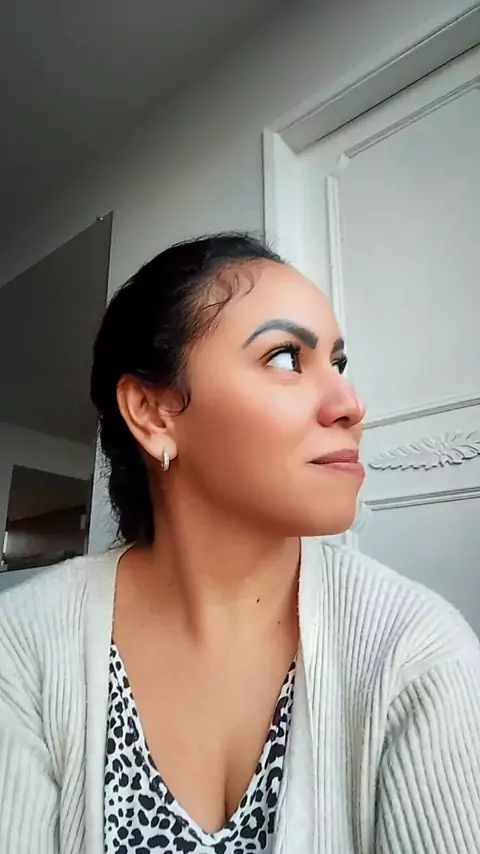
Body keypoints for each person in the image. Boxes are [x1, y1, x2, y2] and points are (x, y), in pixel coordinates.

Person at [0, 233, 479, 854]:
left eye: (337, 364)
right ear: (153, 412)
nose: (351, 405)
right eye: (284, 358)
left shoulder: (415, 652)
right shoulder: (24, 647)